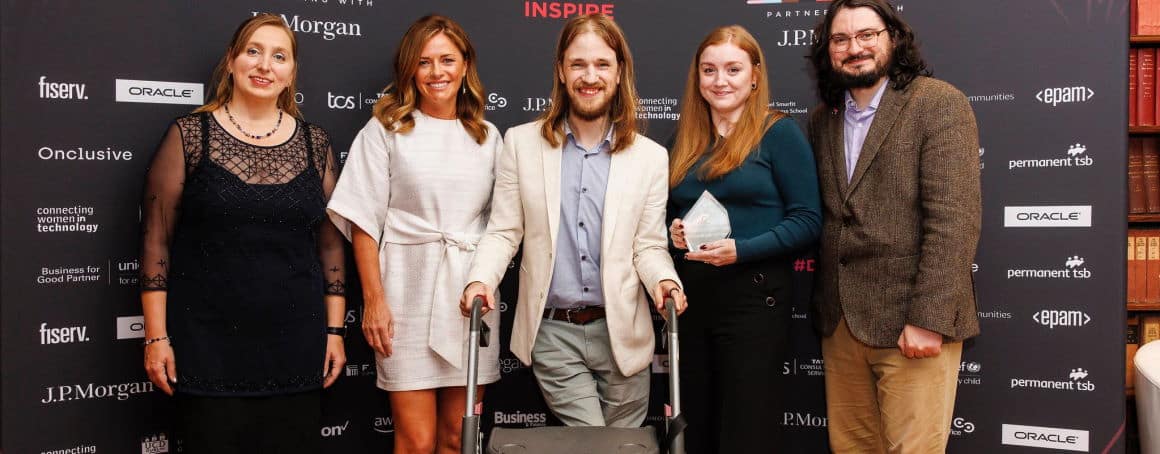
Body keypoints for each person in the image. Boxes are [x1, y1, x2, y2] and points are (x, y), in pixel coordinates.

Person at [459, 13, 685, 428]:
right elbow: (505, 231)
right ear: (561, 71)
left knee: (623, 446)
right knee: (591, 442)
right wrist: (480, 280)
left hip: (624, 336)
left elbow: (648, 246)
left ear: (619, 73)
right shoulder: (522, 144)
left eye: (602, 64)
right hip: (553, 335)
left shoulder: (650, 157)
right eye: (578, 64)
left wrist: (665, 282)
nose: (589, 76)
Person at [139, 13, 346, 453]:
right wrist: (156, 338)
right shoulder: (190, 136)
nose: (264, 65)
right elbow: (156, 243)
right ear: (231, 61)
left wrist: (333, 332)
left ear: (291, 74)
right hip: (207, 344)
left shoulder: (316, 144)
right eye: (253, 51)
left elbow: (330, 247)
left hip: (297, 344)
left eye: (278, 56)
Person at [806, 0, 981, 452]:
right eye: (841, 39)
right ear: (828, 51)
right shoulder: (823, 118)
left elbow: (954, 222)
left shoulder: (938, 103)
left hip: (911, 321)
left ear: (893, 38)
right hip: (841, 323)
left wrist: (928, 319)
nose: (854, 48)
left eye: (867, 35)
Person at [327, 15, 501, 454]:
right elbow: (363, 222)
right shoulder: (385, 130)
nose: (436, 72)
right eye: (424, 62)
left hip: (469, 300)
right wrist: (375, 301)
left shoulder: (487, 136)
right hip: (405, 294)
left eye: (447, 60)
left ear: (465, 66)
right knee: (416, 441)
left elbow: (504, 226)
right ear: (409, 69)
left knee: (455, 439)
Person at [666, 25, 821, 453]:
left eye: (733, 69)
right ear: (697, 78)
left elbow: (808, 220)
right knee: (694, 428)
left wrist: (743, 250)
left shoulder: (778, 133)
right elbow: (669, 213)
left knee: (745, 432)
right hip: (692, 303)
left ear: (755, 75)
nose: (720, 81)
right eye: (709, 70)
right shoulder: (684, 140)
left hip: (754, 303)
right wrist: (674, 232)